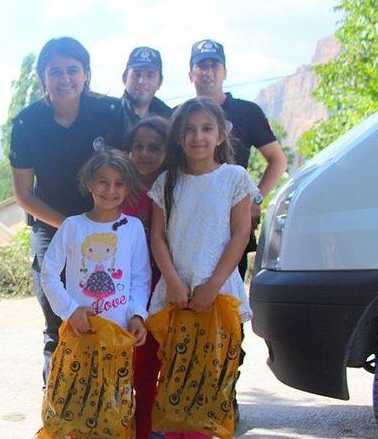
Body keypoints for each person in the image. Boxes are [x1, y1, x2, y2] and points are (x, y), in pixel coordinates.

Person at [10, 37, 124, 383]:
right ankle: (58, 411)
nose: (65, 79)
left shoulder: (109, 112)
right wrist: (72, 227)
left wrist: (96, 224)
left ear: (86, 74)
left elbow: (123, 175)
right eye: (55, 71)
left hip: (105, 225)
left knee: (107, 314)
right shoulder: (27, 123)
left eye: (72, 70)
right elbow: (23, 194)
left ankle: (105, 406)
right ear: (42, 76)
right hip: (51, 227)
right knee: (57, 319)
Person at [148, 97, 258, 438]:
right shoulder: (167, 181)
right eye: (190, 130)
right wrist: (173, 281)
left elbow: (240, 235)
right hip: (176, 294)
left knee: (209, 382)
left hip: (218, 292)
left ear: (221, 135)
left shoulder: (234, 178)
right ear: (179, 137)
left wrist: (212, 285)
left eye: (207, 128)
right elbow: (158, 238)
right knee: (175, 376)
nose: (199, 137)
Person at [187, 39, 287, 279]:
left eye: (214, 65)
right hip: (191, 221)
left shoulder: (247, 112)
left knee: (229, 301)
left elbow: (277, 160)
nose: (208, 72)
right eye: (201, 66)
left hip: (234, 221)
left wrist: (256, 199)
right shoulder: (182, 114)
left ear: (225, 72)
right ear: (191, 74)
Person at [40, 146, 150, 343]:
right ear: (90, 184)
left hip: (119, 334)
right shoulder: (72, 226)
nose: (110, 190)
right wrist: (71, 311)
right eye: (103, 182)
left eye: (119, 184)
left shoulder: (133, 227)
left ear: (128, 187)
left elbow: (140, 277)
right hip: (79, 332)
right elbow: (48, 273)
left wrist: (137, 314)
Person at [120, 117, 169, 439]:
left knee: (152, 368)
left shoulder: (173, 187)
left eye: (154, 147)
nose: (144, 154)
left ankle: (149, 431)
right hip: (125, 292)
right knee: (127, 367)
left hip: (164, 290)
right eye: (138, 146)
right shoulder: (119, 190)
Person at [120, 47, 173, 144]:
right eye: (137, 74)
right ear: (124, 78)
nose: (142, 81)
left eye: (150, 75)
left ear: (160, 82)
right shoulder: (110, 116)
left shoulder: (170, 119)